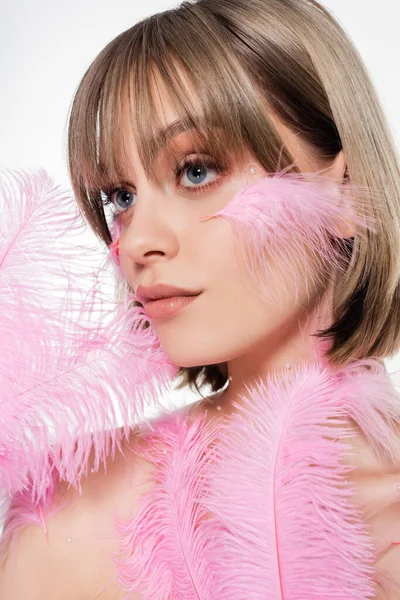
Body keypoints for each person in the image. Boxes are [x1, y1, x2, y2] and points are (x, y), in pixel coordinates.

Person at [1, 0, 400, 597]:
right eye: (120, 197)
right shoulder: (71, 522)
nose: (137, 240)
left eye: (196, 170)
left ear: (344, 193)